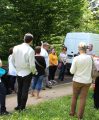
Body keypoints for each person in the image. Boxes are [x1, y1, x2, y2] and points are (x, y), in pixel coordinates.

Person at [12, 33, 37, 111]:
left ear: (24, 39)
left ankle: (18, 106)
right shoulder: (31, 50)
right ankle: (22, 108)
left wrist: (16, 68)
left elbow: (12, 60)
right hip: (27, 72)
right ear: (31, 41)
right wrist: (34, 72)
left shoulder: (16, 47)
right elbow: (32, 65)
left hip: (18, 71)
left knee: (20, 89)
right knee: (24, 90)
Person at [69, 42, 92, 120]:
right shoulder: (90, 58)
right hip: (87, 81)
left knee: (75, 97)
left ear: (79, 49)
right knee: (83, 98)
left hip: (77, 80)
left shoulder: (76, 58)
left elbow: (72, 71)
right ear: (86, 49)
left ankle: (72, 113)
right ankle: (80, 117)